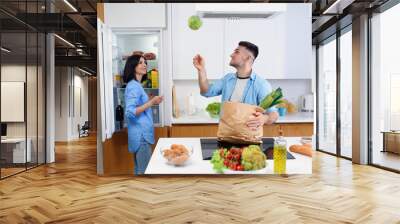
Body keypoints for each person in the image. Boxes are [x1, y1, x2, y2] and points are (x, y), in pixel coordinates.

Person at [193, 41, 279, 131]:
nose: (231, 55)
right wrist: (201, 70)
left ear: (248, 58)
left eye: (236, 52)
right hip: (225, 136)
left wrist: (264, 119)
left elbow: (274, 114)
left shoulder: (261, 84)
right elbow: (206, 91)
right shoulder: (228, 79)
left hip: (248, 140)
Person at [123, 55, 163, 175]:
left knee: (140, 170)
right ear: (132, 66)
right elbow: (130, 112)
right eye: (140, 62)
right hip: (142, 136)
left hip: (139, 135)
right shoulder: (134, 86)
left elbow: (137, 106)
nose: (144, 64)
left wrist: (151, 101)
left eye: (145, 62)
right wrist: (151, 102)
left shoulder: (135, 85)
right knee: (145, 172)